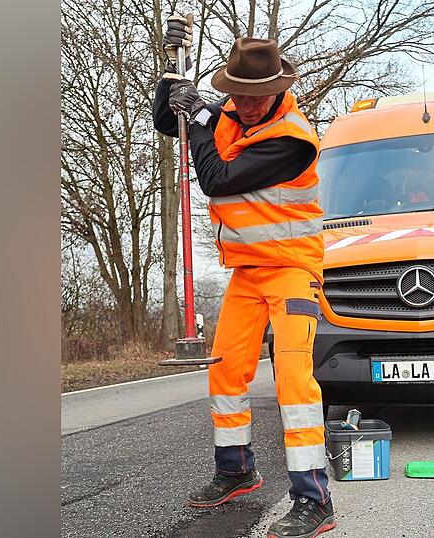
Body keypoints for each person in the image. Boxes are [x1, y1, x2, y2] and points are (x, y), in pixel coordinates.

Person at [153, 15, 336, 538]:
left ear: (278, 90)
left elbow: (217, 178)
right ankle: (236, 470)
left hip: (293, 272)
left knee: (294, 379)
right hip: (248, 274)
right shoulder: (230, 112)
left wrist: (205, 119)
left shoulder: (293, 138)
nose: (247, 104)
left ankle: (314, 498)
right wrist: (172, 87)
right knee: (226, 370)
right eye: (238, 95)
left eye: (257, 96)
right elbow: (172, 122)